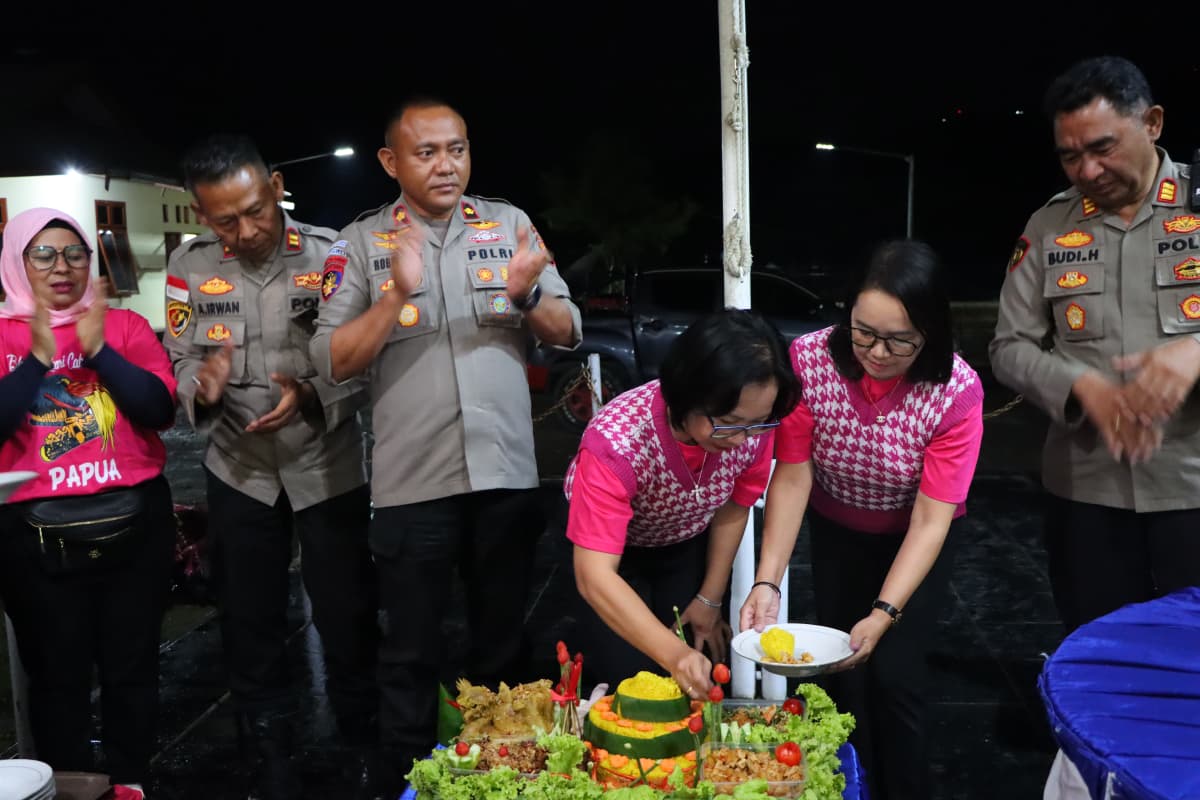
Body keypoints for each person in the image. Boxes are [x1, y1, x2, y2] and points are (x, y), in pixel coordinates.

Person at [309, 97, 582, 789]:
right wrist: (394, 297)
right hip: (414, 488)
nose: (445, 164)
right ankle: (408, 779)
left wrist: (524, 297)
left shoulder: (509, 224)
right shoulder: (360, 243)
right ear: (390, 162)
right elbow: (333, 359)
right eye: (426, 152)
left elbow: (568, 331)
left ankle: (507, 776)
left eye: (456, 149)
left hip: (505, 480)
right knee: (409, 656)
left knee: (502, 647)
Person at [164, 135, 378, 799]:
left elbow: (361, 357)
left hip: (326, 461)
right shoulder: (189, 265)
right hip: (240, 467)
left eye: (257, 209)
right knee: (248, 619)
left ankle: (362, 740)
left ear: (276, 185)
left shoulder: (332, 254)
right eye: (226, 220)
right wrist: (201, 384)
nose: (248, 229)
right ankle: (270, 755)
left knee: (347, 614)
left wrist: (313, 394)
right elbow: (179, 356)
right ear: (203, 217)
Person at [741, 240, 983, 800]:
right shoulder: (808, 361)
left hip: (917, 538)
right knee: (841, 674)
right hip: (839, 530)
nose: (876, 351)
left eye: (899, 340)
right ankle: (850, 786)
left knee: (898, 679)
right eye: (863, 332)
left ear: (930, 330)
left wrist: (885, 611)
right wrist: (767, 579)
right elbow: (794, 474)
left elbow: (930, 519)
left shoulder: (956, 391)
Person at [989, 56, 1200, 636]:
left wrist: (1195, 351)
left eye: (1103, 147)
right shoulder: (1049, 225)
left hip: (1193, 486)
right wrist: (1078, 386)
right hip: (1088, 495)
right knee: (1100, 656)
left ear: (1152, 123)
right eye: (1069, 154)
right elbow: (1009, 346)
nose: (1087, 169)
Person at [0, 208, 179, 799]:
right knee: (56, 676)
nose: (62, 267)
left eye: (76, 254)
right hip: (33, 538)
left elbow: (158, 411)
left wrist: (98, 349)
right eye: (44, 254)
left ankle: (131, 781)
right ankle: (72, 785)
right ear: (18, 262)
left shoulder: (123, 325)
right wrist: (38, 360)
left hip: (135, 525)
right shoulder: (2, 333)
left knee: (133, 667)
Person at [566, 308, 798, 697]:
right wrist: (673, 656)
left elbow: (735, 505)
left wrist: (710, 597)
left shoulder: (754, 427)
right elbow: (596, 574)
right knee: (626, 678)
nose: (743, 440)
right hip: (612, 554)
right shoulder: (616, 444)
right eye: (729, 422)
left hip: (685, 540)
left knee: (701, 649)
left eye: (757, 423)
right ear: (685, 394)